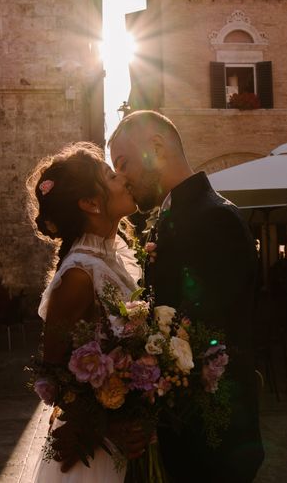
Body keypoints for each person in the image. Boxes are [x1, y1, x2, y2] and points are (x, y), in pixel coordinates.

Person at [109, 110, 265, 482]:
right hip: (185, 433)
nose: (121, 177)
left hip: (214, 441)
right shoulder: (175, 216)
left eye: (123, 163)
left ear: (156, 149)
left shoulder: (215, 219)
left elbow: (208, 332)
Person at [22, 142, 143, 482]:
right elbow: (52, 373)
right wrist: (108, 426)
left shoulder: (114, 257)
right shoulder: (79, 274)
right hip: (95, 448)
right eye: (110, 174)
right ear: (90, 203)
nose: (122, 177)